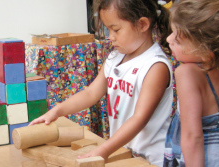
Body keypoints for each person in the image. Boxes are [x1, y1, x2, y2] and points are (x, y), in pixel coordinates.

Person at [30, 0, 173, 166]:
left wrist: (104, 149)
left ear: (142, 24)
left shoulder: (155, 67)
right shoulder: (115, 57)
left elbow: (140, 118)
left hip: (150, 159)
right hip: (124, 152)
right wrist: (56, 111)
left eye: (116, 29)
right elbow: (91, 93)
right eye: (108, 29)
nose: (110, 36)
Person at [164, 0, 219, 166]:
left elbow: (192, 137)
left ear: (206, 52)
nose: (168, 39)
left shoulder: (187, 74)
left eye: (178, 40)